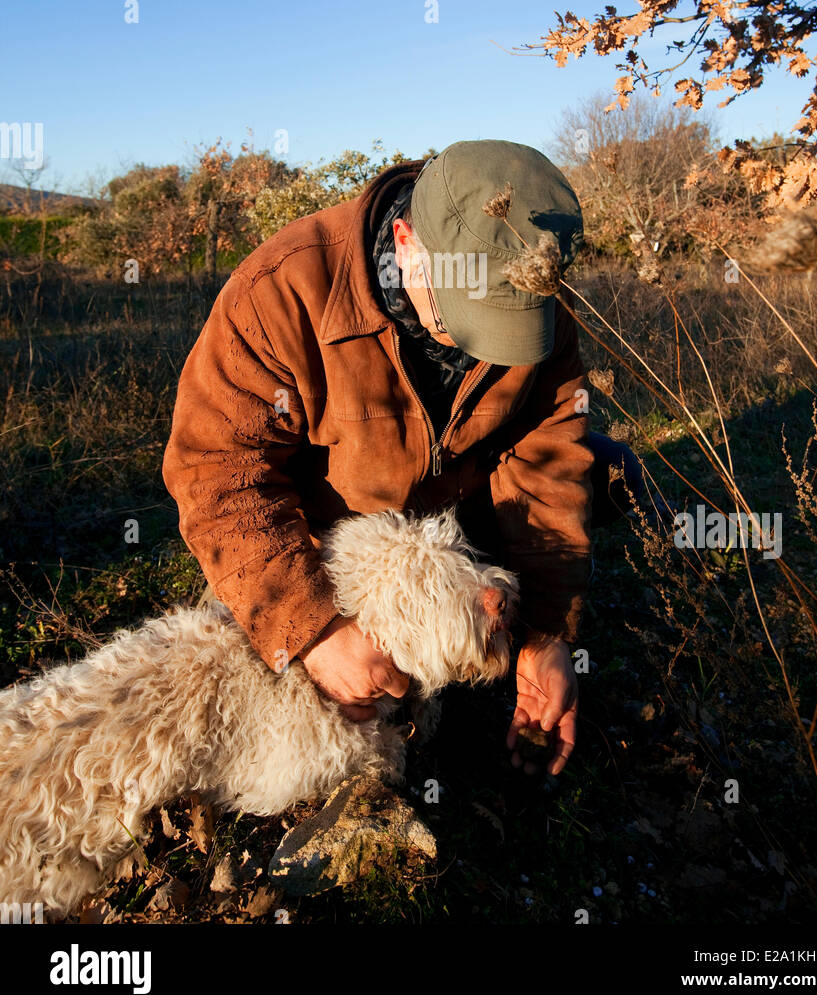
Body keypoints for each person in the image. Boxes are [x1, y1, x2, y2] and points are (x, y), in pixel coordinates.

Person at [163, 140, 600, 777]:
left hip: (453, 534)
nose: (489, 349)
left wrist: (544, 633)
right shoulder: (280, 292)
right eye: (468, 320)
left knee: (614, 470)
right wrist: (312, 629)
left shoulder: (532, 295)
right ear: (406, 243)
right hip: (323, 556)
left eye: (509, 328)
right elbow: (216, 473)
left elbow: (546, 465)